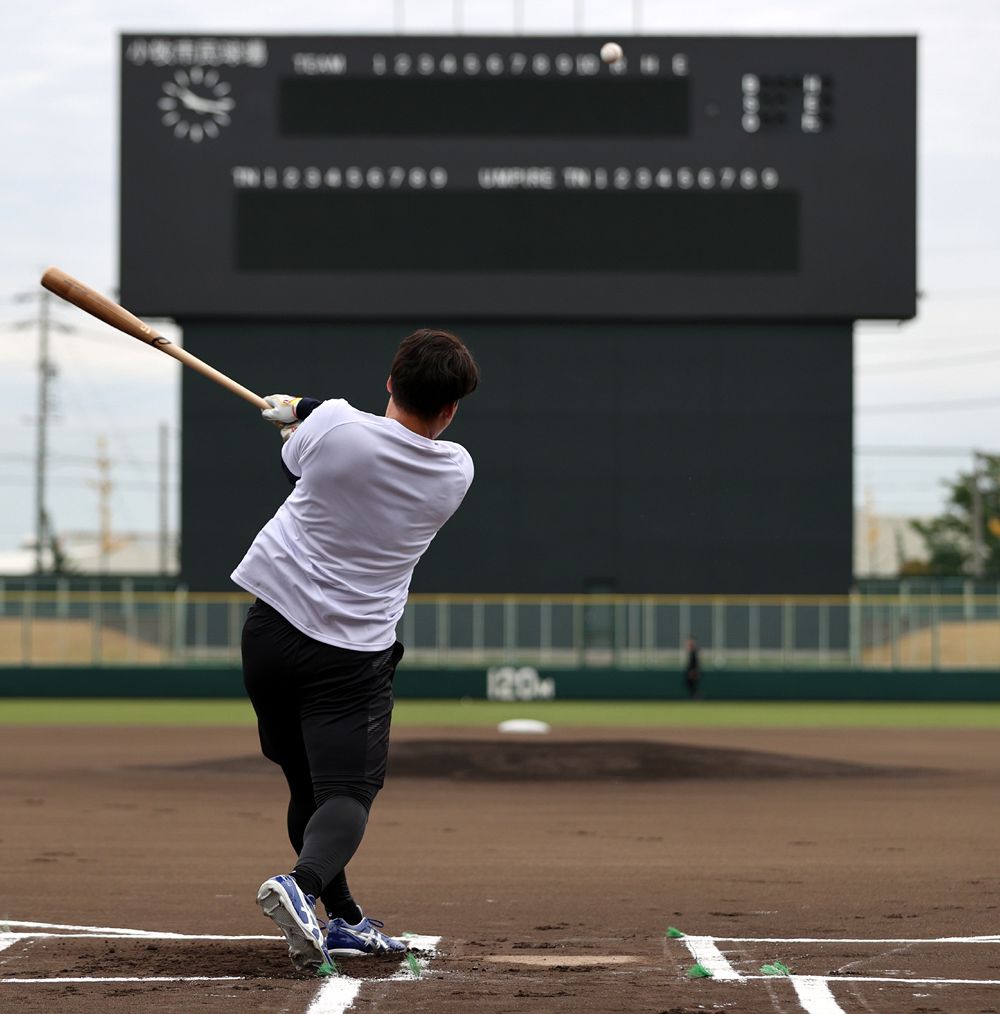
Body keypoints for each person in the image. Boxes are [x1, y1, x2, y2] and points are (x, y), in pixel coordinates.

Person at [231, 329, 479, 972]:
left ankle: (341, 921)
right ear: (451, 409)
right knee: (347, 793)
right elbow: (354, 435)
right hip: (350, 654)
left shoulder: (337, 425)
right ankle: (302, 886)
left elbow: (311, 447)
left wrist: (301, 414)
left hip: (269, 632)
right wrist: (308, 413)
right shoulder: (456, 471)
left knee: (306, 787)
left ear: (391, 382)